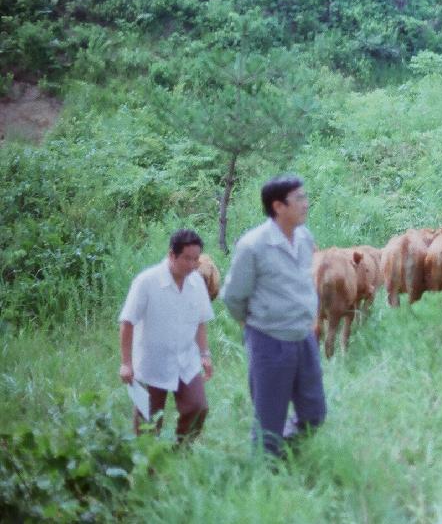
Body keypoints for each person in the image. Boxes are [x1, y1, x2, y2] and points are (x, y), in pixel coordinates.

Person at [221, 174, 326, 456]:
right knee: (269, 420)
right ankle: (266, 474)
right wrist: (253, 323)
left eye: (305, 197)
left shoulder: (304, 238)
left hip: (303, 336)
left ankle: (285, 453)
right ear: (278, 206)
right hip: (269, 340)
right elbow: (233, 296)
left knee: (314, 412)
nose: (306, 204)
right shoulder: (253, 245)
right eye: (299, 199)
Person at [118, 229, 215, 444]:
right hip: (153, 362)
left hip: (185, 360)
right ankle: (148, 467)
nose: (192, 265)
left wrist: (205, 354)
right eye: (187, 259)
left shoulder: (197, 282)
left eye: (196, 259)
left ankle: (181, 451)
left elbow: (201, 321)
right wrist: (126, 363)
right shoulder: (147, 282)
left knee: (198, 408)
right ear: (172, 255)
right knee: (148, 423)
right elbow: (127, 322)